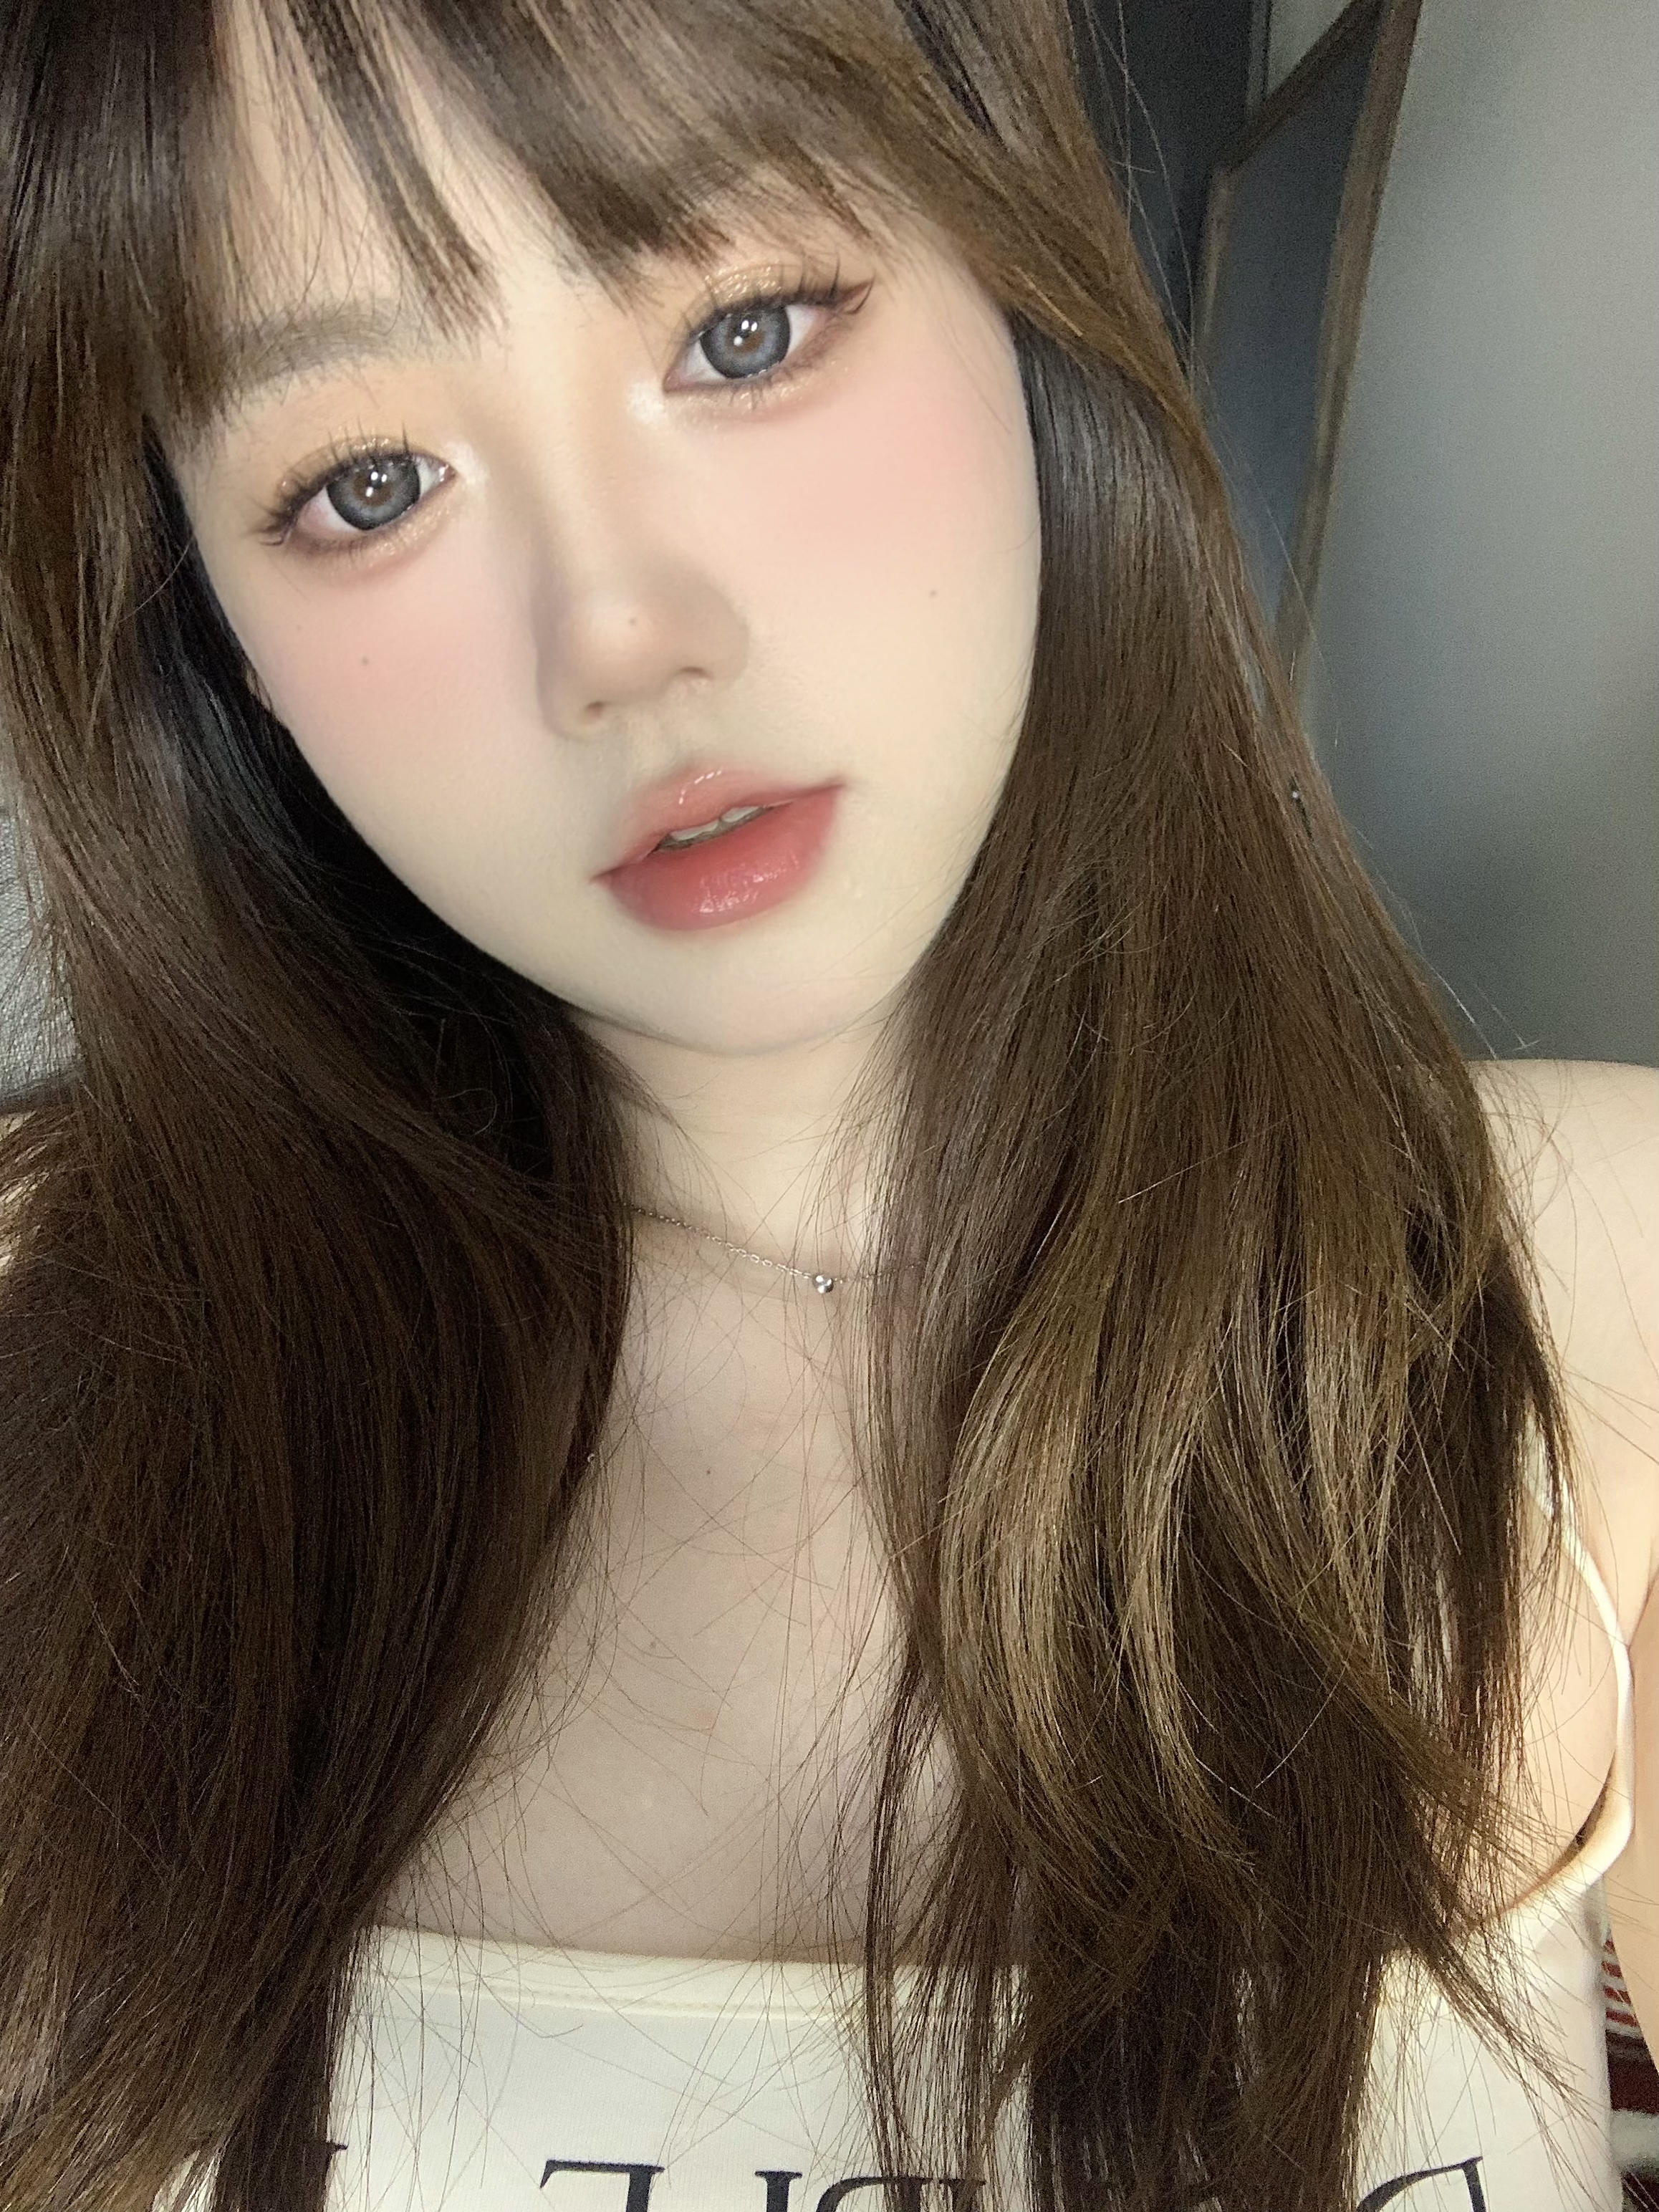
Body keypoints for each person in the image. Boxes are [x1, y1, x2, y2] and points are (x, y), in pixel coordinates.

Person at [0, 0, 1653, 2207]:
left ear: (1016, 274)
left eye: (746, 330)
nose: (621, 636)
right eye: (367, 484)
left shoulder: (1597, 1294)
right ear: (211, 633)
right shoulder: (48, 1343)